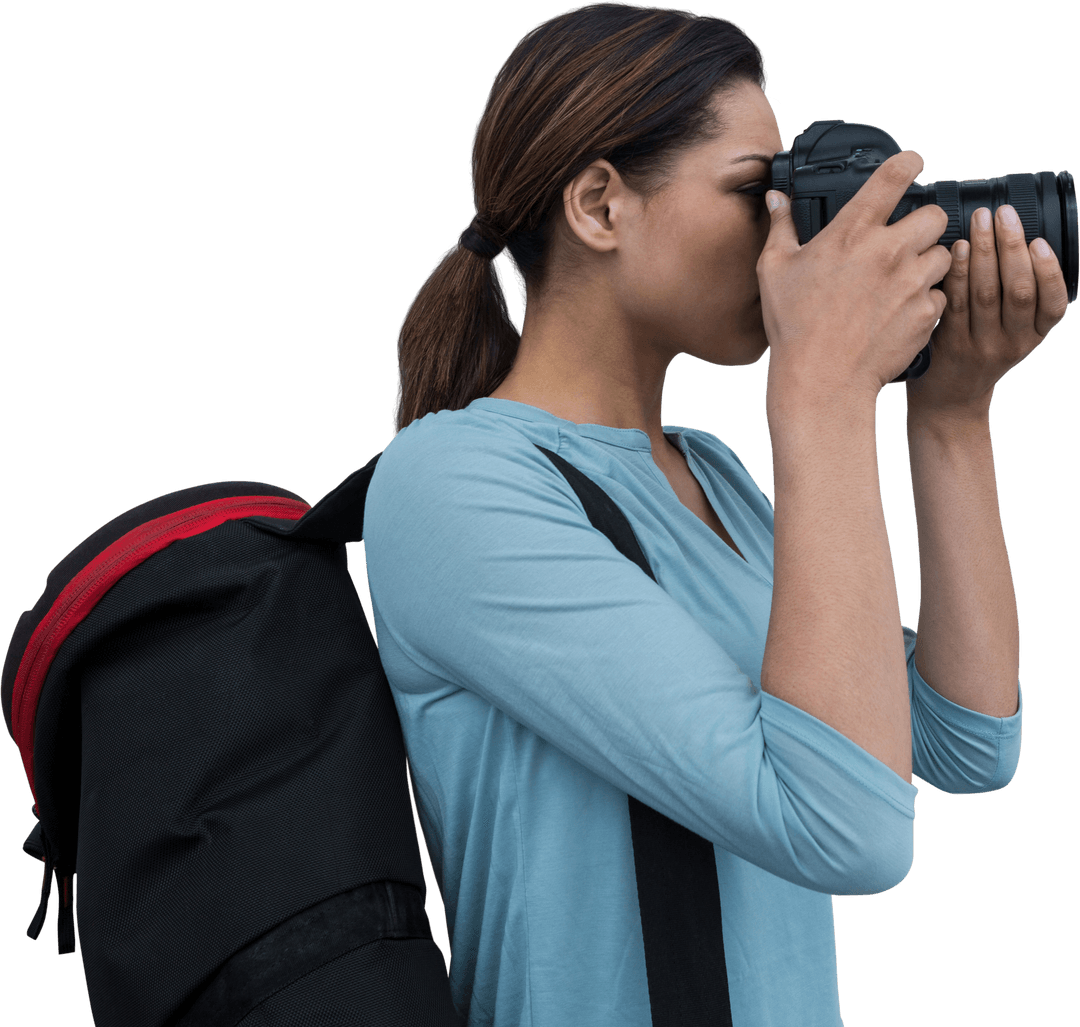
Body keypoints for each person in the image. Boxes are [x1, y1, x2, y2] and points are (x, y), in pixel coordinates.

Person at [364, 2, 1058, 1023]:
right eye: (753, 191)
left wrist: (950, 414)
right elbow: (852, 830)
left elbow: (962, 742)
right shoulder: (456, 485)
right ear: (600, 206)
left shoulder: (715, 478)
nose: (789, 232)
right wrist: (822, 392)